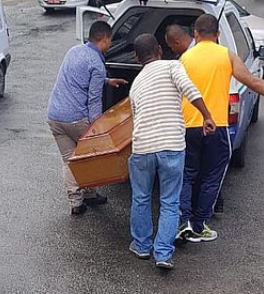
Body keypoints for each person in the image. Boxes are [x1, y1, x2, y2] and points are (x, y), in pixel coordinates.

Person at [176, 14, 264, 243]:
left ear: (195, 33)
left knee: (186, 175)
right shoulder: (227, 55)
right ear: (218, 34)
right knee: (212, 177)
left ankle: (183, 221)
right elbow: (254, 82)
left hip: (188, 127)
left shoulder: (184, 58)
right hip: (216, 127)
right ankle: (199, 225)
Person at [128, 33, 216, 270]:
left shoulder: (136, 84)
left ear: (137, 58)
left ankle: (141, 246)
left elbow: (136, 119)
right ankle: (163, 254)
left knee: (141, 197)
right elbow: (189, 89)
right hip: (171, 146)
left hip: (143, 147)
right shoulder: (172, 66)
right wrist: (207, 116)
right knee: (169, 201)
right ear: (159, 49)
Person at [47, 21, 127, 215]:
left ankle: (76, 202)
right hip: (76, 118)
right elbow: (94, 100)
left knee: (69, 160)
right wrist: (96, 127)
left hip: (54, 116)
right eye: (110, 40)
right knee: (90, 158)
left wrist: (106, 81)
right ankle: (90, 193)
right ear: (105, 39)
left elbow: (78, 78)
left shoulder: (74, 51)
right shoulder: (97, 64)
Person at [165, 24, 226, 215]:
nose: (172, 51)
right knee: (210, 173)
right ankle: (201, 219)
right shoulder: (223, 54)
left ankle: (185, 217)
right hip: (214, 123)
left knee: (189, 172)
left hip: (191, 124)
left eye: (171, 47)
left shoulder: (183, 61)